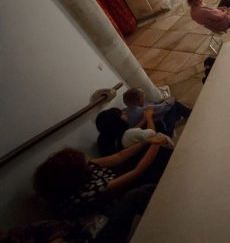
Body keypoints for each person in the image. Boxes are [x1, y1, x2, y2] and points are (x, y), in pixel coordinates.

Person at [32, 143, 168, 242]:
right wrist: (155, 144)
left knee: (146, 159)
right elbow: (136, 172)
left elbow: (119, 156)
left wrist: (147, 141)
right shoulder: (82, 194)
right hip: (100, 228)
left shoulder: (80, 170)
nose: (88, 160)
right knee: (136, 195)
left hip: (111, 194)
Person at [121, 88, 190, 137]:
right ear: (138, 100)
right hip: (163, 130)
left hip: (152, 127)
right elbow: (163, 107)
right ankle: (190, 114)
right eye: (142, 97)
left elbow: (153, 103)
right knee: (174, 105)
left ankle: (186, 114)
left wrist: (163, 100)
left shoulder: (124, 111)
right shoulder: (142, 110)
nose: (144, 98)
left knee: (170, 105)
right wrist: (172, 99)